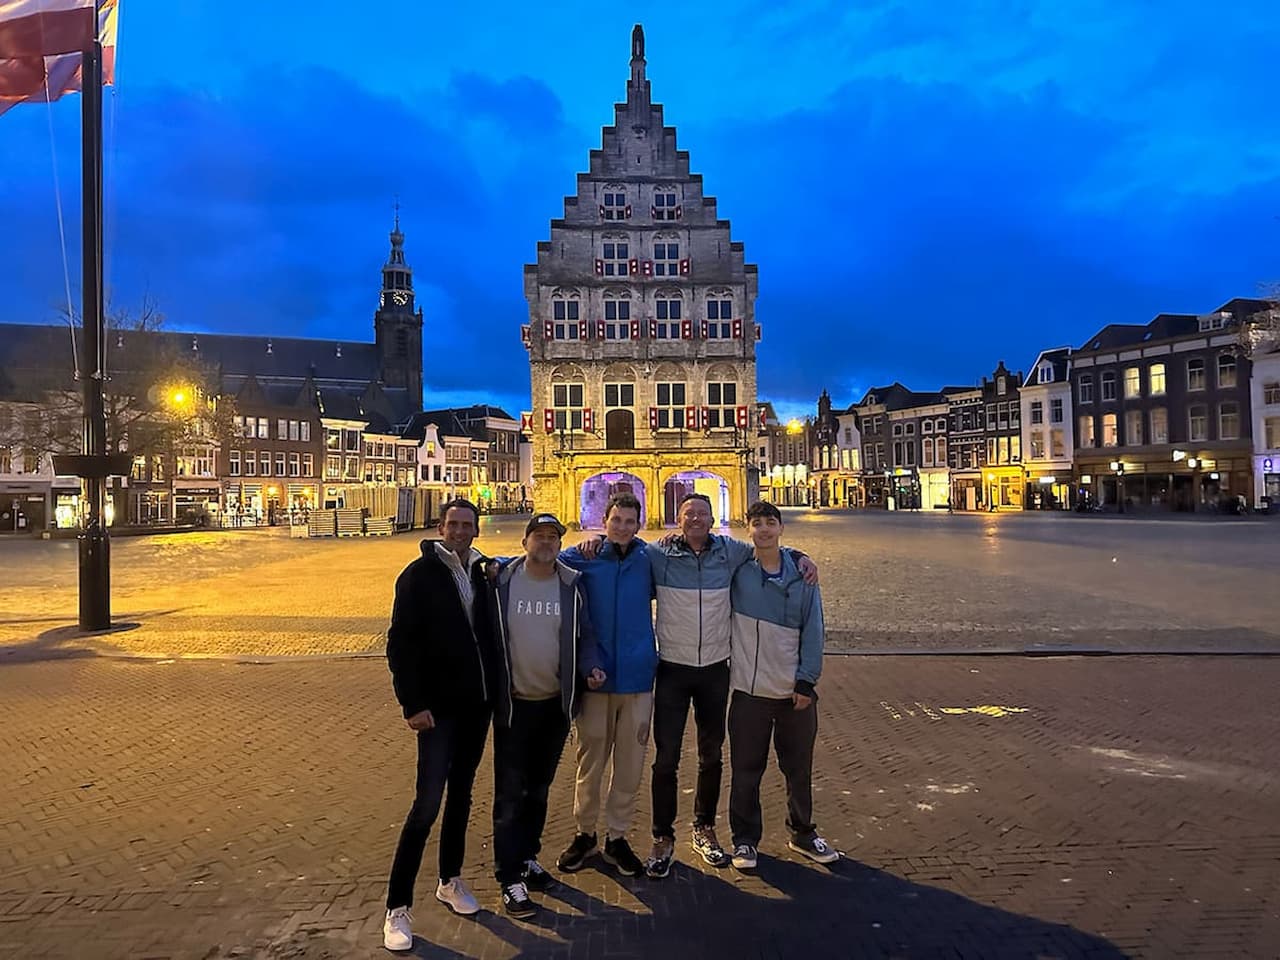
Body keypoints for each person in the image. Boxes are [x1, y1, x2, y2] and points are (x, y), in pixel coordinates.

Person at [640, 493, 818, 879]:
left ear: (713, 518)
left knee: (712, 755)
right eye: (689, 515)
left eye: (703, 514)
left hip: (715, 670)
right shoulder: (657, 554)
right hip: (672, 668)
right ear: (679, 518)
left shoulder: (731, 552)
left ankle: (704, 828)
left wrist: (801, 556)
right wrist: (593, 543)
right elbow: (622, 548)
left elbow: (769, 545)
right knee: (665, 757)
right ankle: (662, 835)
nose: (696, 520)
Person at [382, 499, 494, 952]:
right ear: (440, 527)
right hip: (437, 709)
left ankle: (450, 880)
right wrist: (412, 703)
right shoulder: (418, 575)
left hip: (475, 705)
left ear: (477, 529)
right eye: (454, 524)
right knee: (426, 804)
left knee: (462, 796)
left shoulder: (486, 573)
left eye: (468, 525)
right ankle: (397, 907)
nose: (461, 531)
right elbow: (399, 643)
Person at [484, 513, 607, 919]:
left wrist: (590, 667)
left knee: (538, 790)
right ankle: (509, 877)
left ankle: (527, 857)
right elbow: (472, 563)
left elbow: (584, 634)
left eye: (553, 537)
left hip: (554, 705)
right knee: (510, 793)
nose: (546, 542)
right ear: (525, 541)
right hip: (515, 706)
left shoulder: (570, 584)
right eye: (539, 535)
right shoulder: (500, 580)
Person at [726, 500, 838, 871]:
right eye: (757, 523)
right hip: (749, 690)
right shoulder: (739, 570)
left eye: (770, 523)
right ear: (749, 530)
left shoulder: (802, 576)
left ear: (781, 528)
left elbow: (814, 630)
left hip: (794, 692)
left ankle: (803, 832)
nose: (764, 530)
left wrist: (807, 681)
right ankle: (744, 840)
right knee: (745, 768)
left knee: (798, 768)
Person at [554, 492, 656, 878]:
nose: (623, 528)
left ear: (639, 524)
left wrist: (797, 557)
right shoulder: (584, 557)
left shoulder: (650, 559)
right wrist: (489, 568)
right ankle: (585, 833)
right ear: (605, 520)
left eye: (630, 522)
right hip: (596, 679)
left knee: (630, 764)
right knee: (590, 762)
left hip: (637, 678)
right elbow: (539, 560)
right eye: (617, 521)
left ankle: (617, 835)